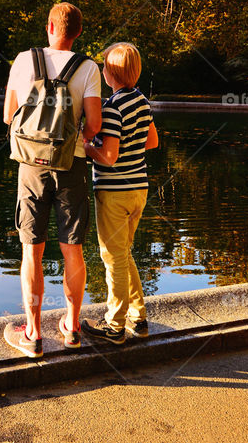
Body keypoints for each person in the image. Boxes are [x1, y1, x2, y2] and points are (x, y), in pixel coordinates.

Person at [2, 2, 102, 358]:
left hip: (31, 166)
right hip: (71, 164)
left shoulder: (23, 60)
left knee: (32, 249)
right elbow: (93, 126)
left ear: (49, 26)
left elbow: (8, 116)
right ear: (77, 33)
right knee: (72, 248)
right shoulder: (89, 67)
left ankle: (32, 334)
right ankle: (72, 328)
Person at [80, 43, 159, 345]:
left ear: (110, 72)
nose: (101, 70)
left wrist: (87, 148)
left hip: (114, 192)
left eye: (103, 66)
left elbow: (109, 156)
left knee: (112, 258)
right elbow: (151, 142)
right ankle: (138, 319)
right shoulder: (141, 101)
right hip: (139, 188)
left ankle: (115, 326)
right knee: (123, 254)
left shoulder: (112, 107)